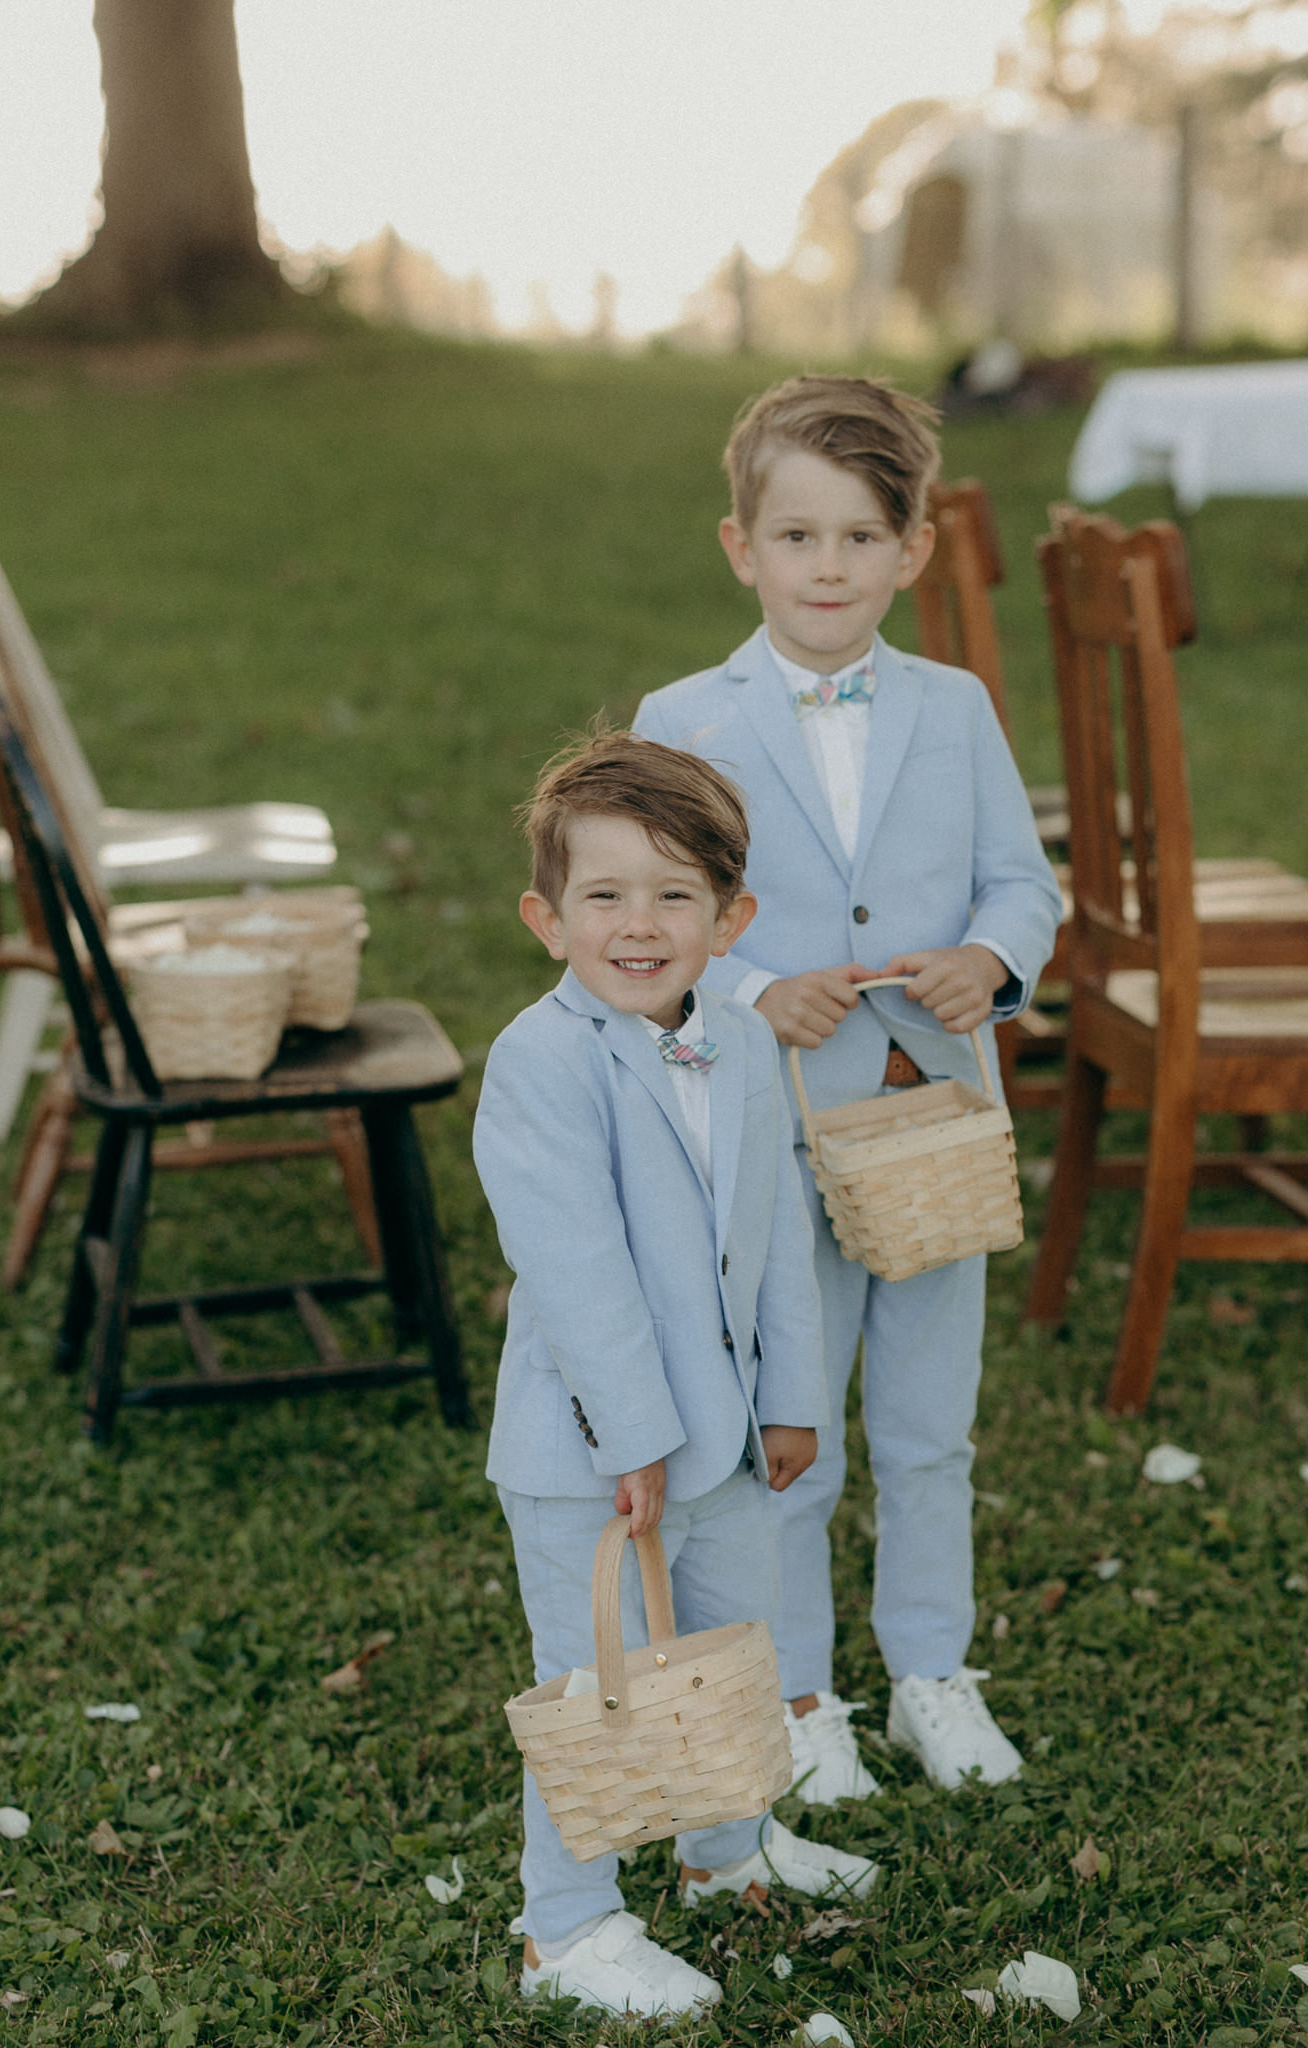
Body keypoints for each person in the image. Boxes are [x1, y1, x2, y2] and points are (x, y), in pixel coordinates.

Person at [634, 374, 1063, 1803]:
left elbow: (1022, 880)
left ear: (911, 552)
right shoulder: (685, 717)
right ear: (740, 546)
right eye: (798, 537)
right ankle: (806, 1696)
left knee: (931, 1422)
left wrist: (990, 963)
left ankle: (930, 1674)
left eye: (861, 539)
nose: (829, 569)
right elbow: (660, 923)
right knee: (791, 1432)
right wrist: (757, 990)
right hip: (778, 1132)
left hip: (933, 1127)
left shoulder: (951, 708)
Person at [474, 730, 878, 2023]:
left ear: (729, 917)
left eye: (672, 896)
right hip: (592, 1451)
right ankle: (570, 1924)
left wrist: (794, 1399)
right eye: (603, 896)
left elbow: (771, 1242)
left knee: (723, 1655)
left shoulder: (745, 1049)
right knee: (596, 1685)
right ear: (547, 918)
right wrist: (630, 1441)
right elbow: (579, 1274)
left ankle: (722, 1854)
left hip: (734, 1441)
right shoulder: (540, 1064)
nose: (637, 926)